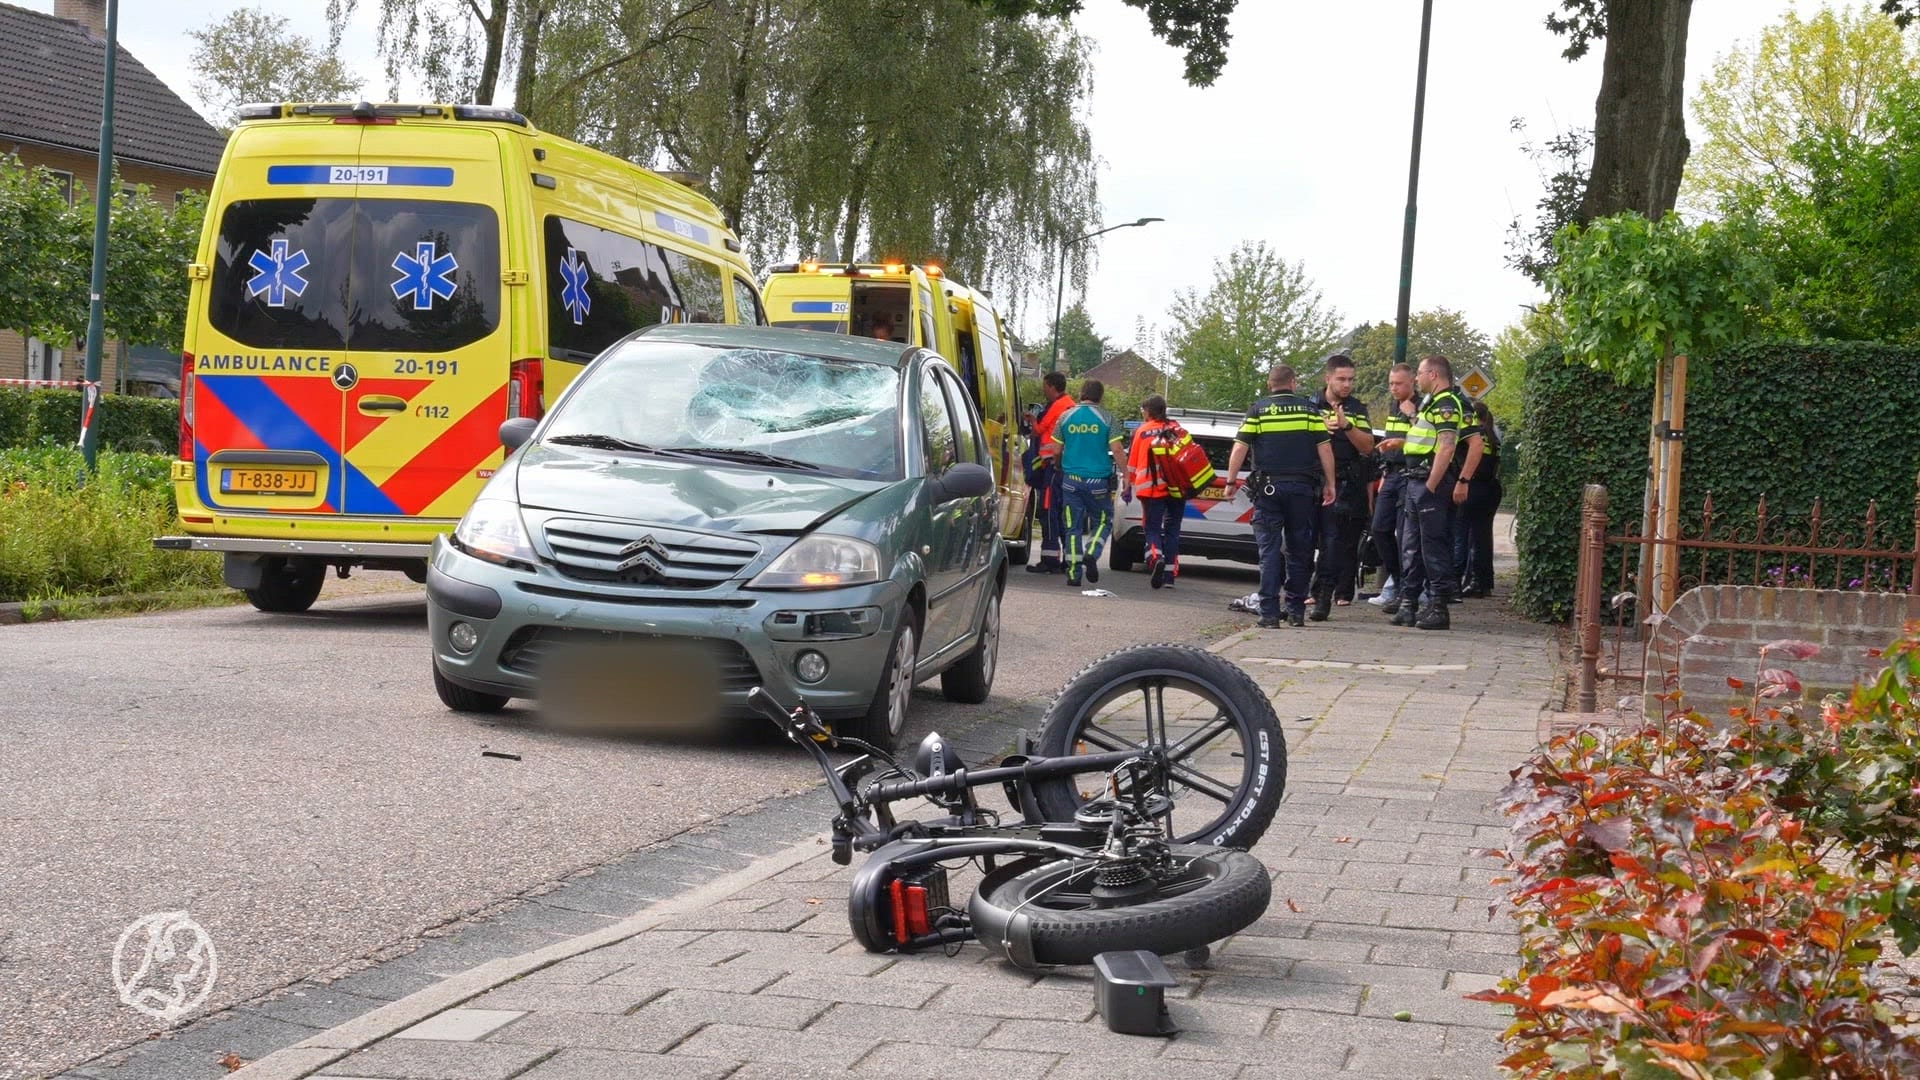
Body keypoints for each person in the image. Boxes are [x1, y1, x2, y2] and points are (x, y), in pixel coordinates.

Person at [1223, 364, 1336, 628]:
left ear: (1269, 383)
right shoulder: (1310, 411)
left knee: (1269, 553)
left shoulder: (1258, 410)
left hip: (1268, 490)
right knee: (1299, 552)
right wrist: (1331, 484)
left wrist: (1231, 481)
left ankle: (1270, 614)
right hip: (1302, 490)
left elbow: (1240, 447)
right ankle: (1296, 611)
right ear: (1293, 383)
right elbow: (1325, 450)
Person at [1393, 354, 1481, 630]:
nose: (1417, 378)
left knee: (1432, 546)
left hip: (1428, 483)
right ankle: (1409, 603)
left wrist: (1435, 484)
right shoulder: (1435, 403)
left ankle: (1438, 605)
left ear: (1433, 374)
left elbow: (1448, 445)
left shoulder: (1447, 403)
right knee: (1412, 547)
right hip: (1416, 480)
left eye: (1419, 373)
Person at [1307, 352, 1374, 620]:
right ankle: (1299, 594)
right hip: (1313, 481)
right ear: (1328, 378)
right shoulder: (1310, 404)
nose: (1347, 385)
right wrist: (1320, 427)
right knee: (1299, 543)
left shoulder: (1357, 408)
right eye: (1341, 379)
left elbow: (1368, 447)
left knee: (1334, 545)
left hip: (1345, 484)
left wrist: (1347, 427)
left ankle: (1324, 596)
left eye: (1351, 380)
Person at [1046, 378, 1126, 587]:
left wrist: (1059, 466)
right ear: (1100, 396)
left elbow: (1055, 450)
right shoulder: (1108, 419)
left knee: (1072, 527)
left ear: (1081, 393)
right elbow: (1117, 450)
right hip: (1098, 482)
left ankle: (1073, 573)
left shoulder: (1065, 417)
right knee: (1103, 521)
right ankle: (1092, 552)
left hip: (1071, 481)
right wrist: (1127, 474)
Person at [1123, 394, 1191, 589]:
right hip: (1177, 488)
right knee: (1173, 530)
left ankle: (1155, 557)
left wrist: (1128, 486)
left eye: (1143, 410)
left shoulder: (1142, 432)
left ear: (1149, 411)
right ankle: (1169, 576)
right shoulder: (1177, 429)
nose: (1142, 414)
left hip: (1152, 490)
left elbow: (1133, 465)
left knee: (1152, 528)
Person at [1368, 363, 1418, 611]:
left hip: (1411, 476)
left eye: (1399, 384)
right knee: (1379, 529)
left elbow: (1429, 440)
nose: (1393, 388)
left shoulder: (1420, 406)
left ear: (1412, 383)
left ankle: (1406, 590)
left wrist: (1412, 415)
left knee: (1404, 536)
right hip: (1391, 475)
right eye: (1391, 383)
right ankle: (1397, 579)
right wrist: (1385, 473)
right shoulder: (1392, 405)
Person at [1453, 398, 1504, 598]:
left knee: (1461, 535)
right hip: (1490, 489)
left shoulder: (1473, 437)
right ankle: (1483, 582)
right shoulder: (1493, 437)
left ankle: (1456, 582)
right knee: (1482, 537)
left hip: (1471, 488)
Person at [1026, 372, 1074, 574]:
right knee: (1064, 514)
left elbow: (1038, 431)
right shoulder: (1071, 405)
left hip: (1053, 467)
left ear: (1052, 386)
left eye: (1045, 386)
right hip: (1064, 468)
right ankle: (1069, 560)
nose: (1043, 390)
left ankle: (1050, 560)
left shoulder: (1057, 406)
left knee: (1049, 512)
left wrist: (1030, 419)